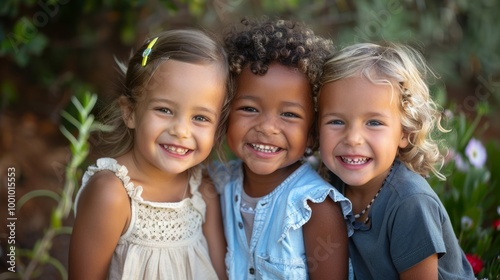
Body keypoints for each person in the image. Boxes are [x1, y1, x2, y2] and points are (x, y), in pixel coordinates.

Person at [68, 29, 232, 280]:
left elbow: (221, 274)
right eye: (164, 110)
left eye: (200, 117)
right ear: (130, 112)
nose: (181, 130)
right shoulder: (112, 194)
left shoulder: (201, 189)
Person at [208, 17, 353, 279]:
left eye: (289, 115)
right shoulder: (217, 185)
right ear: (226, 112)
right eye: (249, 109)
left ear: (312, 133)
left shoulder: (316, 208)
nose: (267, 127)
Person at [318, 42, 475, 279]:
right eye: (336, 121)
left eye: (374, 122)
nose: (353, 139)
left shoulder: (410, 204)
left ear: (405, 133)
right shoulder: (326, 185)